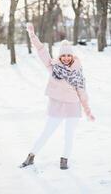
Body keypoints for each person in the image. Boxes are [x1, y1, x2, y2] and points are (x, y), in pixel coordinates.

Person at [20, 23, 95, 170]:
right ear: (60, 56)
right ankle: (31, 157)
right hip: (57, 105)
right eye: (63, 55)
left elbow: (82, 93)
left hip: (73, 106)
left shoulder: (77, 72)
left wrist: (88, 111)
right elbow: (42, 50)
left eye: (69, 55)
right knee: (46, 132)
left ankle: (64, 160)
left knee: (69, 135)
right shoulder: (53, 68)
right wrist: (32, 34)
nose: (66, 58)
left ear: (72, 56)